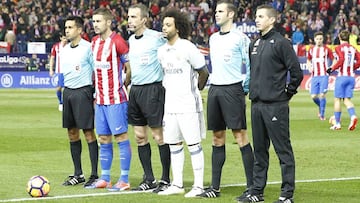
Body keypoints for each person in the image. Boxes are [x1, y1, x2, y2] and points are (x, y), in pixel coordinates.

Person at [239, 5, 303, 203]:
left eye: (260, 16)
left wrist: (286, 94)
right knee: (259, 151)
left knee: (283, 150)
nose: (256, 19)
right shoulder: (255, 44)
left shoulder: (281, 43)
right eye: (256, 16)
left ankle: (287, 195)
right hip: (256, 105)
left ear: (272, 20)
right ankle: (257, 191)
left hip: (275, 105)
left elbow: (297, 73)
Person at [197, 0, 254, 199]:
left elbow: (250, 65)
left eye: (220, 11)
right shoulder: (213, 38)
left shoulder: (241, 38)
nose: (216, 14)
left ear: (231, 14)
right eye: (216, 11)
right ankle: (214, 187)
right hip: (215, 90)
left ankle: (252, 187)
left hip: (233, 89)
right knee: (217, 138)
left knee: (240, 136)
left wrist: (243, 88)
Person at [156, 8, 209, 197]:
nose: (164, 28)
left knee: (193, 145)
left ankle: (198, 186)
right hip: (170, 106)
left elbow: (203, 72)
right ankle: (177, 184)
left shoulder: (188, 47)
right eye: (163, 24)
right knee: (174, 145)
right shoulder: (161, 51)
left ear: (177, 28)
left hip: (188, 105)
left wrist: (195, 91)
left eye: (168, 25)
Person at [126, 3, 171, 193]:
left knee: (158, 136)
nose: (129, 20)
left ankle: (166, 179)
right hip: (135, 90)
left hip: (153, 90)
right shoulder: (131, 39)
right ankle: (149, 178)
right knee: (139, 136)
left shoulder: (157, 38)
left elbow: (173, 51)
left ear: (144, 19)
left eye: (134, 17)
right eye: (129, 17)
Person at [87, 7, 132, 191]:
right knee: (103, 138)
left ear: (108, 22)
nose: (95, 24)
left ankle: (125, 179)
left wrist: (123, 85)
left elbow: (129, 68)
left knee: (121, 136)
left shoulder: (118, 42)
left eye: (98, 21)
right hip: (100, 99)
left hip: (116, 99)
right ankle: (105, 177)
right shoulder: (94, 42)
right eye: (93, 21)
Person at [60, 16, 99, 188]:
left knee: (89, 133)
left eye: (70, 27)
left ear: (79, 30)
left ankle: (94, 174)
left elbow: (97, 72)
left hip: (83, 91)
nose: (66, 30)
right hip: (68, 92)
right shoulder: (65, 49)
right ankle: (78, 173)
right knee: (72, 134)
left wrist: (95, 94)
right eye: (65, 27)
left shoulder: (88, 48)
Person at [327, 30, 360, 131]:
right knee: (346, 100)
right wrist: (353, 67)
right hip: (351, 77)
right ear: (349, 38)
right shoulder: (353, 48)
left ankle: (337, 124)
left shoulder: (338, 48)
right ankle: (353, 116)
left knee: (337, 99)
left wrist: (332, 69)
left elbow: (341, 60)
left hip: (342, 77)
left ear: (339, 37)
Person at [307, 31, 334, 120]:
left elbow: (334, 59)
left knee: (322, 95)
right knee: (314, 96)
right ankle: (321, 106)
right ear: (314, 39)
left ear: (323, 39)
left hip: (324, 75)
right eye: (317, 39)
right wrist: (309, 66)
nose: (319, 41)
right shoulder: (311, 50)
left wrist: (331, 68)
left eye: (320, 39)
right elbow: (308, 60)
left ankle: (322, 115)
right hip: (314, 76)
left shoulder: (327, 49)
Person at [49, 33, 68, 112]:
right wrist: (51, 69)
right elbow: (52, 58)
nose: (65, 40)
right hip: (59, 71)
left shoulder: (70, 46)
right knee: (58, 88)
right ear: (61, 38)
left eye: (66, 38)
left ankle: (68, 104)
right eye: (64, 38)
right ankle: (61, 102)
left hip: (69, 71)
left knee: (68, 89)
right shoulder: (56, 47)